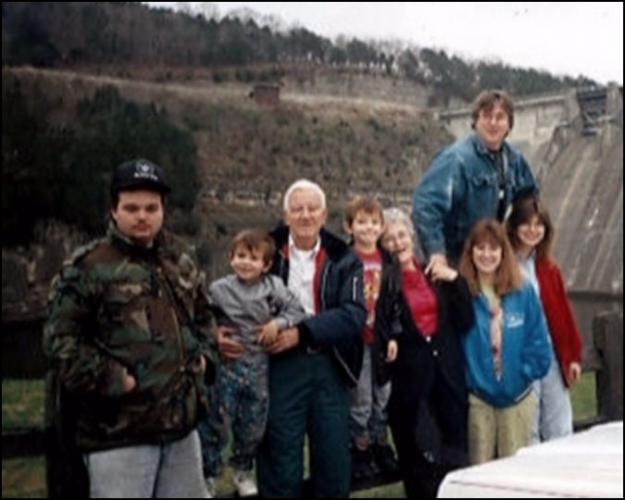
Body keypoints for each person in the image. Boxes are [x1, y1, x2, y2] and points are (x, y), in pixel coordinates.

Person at [43, 158, 216, 498]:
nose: (142, 216)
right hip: (118, 434)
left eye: (151, 208)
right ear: (114, 210)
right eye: (132, 207)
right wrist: (114, 379)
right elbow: (59, 342)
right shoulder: (87, 267)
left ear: (163, 210)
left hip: (181, 430)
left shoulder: (179, 257)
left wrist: (205, 361)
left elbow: (203, 315)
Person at [217, 179, 366, 497]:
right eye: (297, 209)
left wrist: (303, 332)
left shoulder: (344, 257)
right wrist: (216, 327)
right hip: (276, 364)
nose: (305, 215)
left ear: (324, 216)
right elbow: (229, 292)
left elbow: (354, 314)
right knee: (280, 457)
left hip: (329, 361)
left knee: (333, 459)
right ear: (286, 216)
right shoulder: (265, 251)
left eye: (313, 209)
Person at [199, 229, 307, 497]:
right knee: (217, 424)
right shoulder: (218, 289)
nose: (246, 262)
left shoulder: (274, 288)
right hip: (227, 368)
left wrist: (277, 323)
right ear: (231, 258)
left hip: (258, 369)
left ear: (266, 264)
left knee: (253, 427)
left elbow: (297, 312)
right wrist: (214, 334)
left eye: (253, 258)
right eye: (240, 256)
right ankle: (208, 474)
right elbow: (199, 318)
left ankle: (242, 469)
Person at [377, 207, 475, 498]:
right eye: (389, 239)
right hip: (410, 388)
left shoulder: (434, 274)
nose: (397, 242)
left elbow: (465, 319)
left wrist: (455, 279)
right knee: (420, 466)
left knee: (455, 459)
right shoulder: (383, 284)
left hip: (447, 379)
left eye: (401, 235)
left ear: (412, 236)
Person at [458, 219, 551, 464]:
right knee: (480, 473)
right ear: (471, 252)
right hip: (480, 400)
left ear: (503, 252)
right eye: (480, 248)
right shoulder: (463, 294)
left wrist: (522, 374)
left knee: (514, 470)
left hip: (516, 399)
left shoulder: (523, 291)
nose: (486, 255)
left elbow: (539, 342)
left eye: (493, 248)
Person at [412, 89, 539, 268]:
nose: (493, 123)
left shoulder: (514, 161)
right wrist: (436, 252)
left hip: (487, 257)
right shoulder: (456, 159)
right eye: (486, 116)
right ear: (475, 122)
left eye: (500, 117)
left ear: (509, 125)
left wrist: (522, 238)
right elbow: (425, 205)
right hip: (455, 259)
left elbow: (530, 200)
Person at [506, 195, 583, 443]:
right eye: (526, 223)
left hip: (549, 354)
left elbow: (563, 314)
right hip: (519, 356)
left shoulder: (548, 269)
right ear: (514, 226)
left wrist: (572, 356)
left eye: (539, 224)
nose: (532, 230)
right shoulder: (504, 267)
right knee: (528, 424)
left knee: (559, 423)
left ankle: (562, 475)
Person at [343, 196, 399, 481]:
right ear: (349, 226)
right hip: (356, 341)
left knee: (383, 395)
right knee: (361, 399)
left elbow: (394, 303)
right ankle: (360, 449)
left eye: (374, 222)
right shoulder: (345, 260)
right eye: (361, 222)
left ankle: (380, 444)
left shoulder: (387, 261)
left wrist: (394, 336)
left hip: (381, 339)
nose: (368, 228)